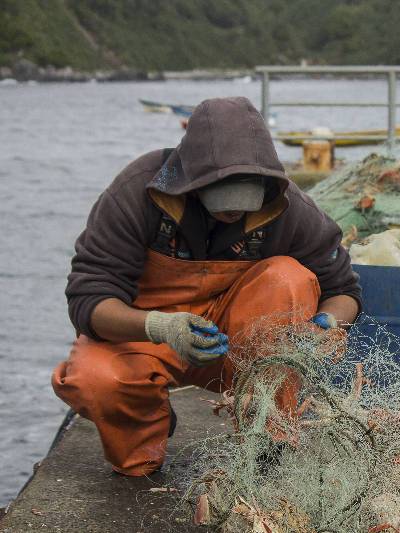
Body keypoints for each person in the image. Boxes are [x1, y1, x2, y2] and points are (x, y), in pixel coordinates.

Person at [52, 97, 362, 476]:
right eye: (223, 193)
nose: (236, 209)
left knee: (288, 277)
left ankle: (267, 440)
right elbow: (88, 299)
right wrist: (161, 327)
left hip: (241, 347)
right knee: (96, 378)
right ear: (190, 181)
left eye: (248, 194)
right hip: (149, 339)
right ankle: (146, 429)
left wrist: (327, 322)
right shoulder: (137, 192)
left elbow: (344, 290)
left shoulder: (288, 208)